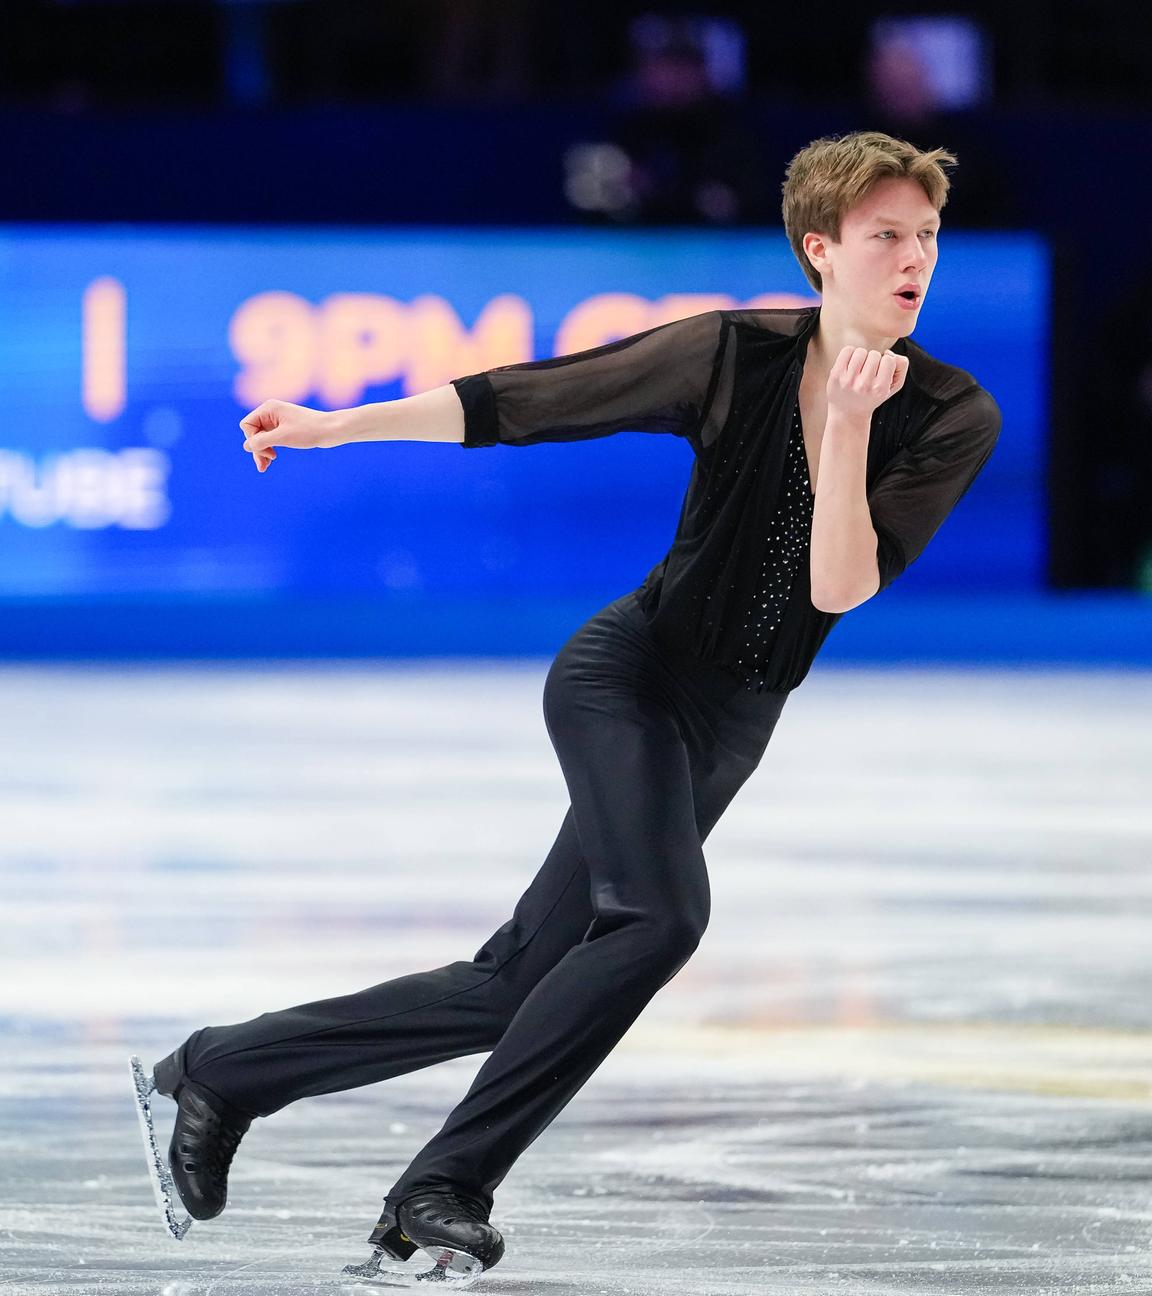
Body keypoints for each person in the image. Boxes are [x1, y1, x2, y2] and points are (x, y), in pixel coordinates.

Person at [135, 130, 1002, 1285]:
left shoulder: (950, 410)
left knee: (513, 988)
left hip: (733, 724)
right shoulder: (732, 354)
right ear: (820, 249)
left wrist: (848, 429)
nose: (915, 258)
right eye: (887, 234)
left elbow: (840, 585)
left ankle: (223, 1071)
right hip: (625, 677)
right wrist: (338, 425)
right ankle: (441, 1191)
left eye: (928, 236)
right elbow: (536, 399)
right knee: (659, 921)